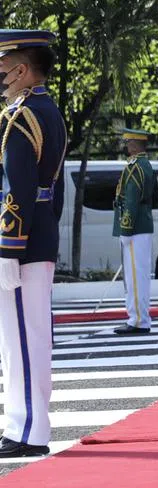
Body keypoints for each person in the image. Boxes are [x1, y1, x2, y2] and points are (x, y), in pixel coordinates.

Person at [0, 30, 67, 457]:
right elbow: (53, 191)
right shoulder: (49, 111)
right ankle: (29, 424)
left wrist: (8, 248)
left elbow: (17, 188)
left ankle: (26, 431)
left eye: (3, 69)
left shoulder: (20, 117)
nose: (1, 77)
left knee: (21, 339)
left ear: (22, 70)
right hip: (39, 236)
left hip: (20, 244)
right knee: (33, 337)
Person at [112, 128, 156, 335]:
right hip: (142, 225)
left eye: (128, 142)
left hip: (136, 227)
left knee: (135, 277)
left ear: (136, 144)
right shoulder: (144, 165)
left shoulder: (135, 167)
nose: (126, 145)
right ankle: (139, 317)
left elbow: (131, 199)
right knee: (138, 275)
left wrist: (126, 227)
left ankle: (138, 320)